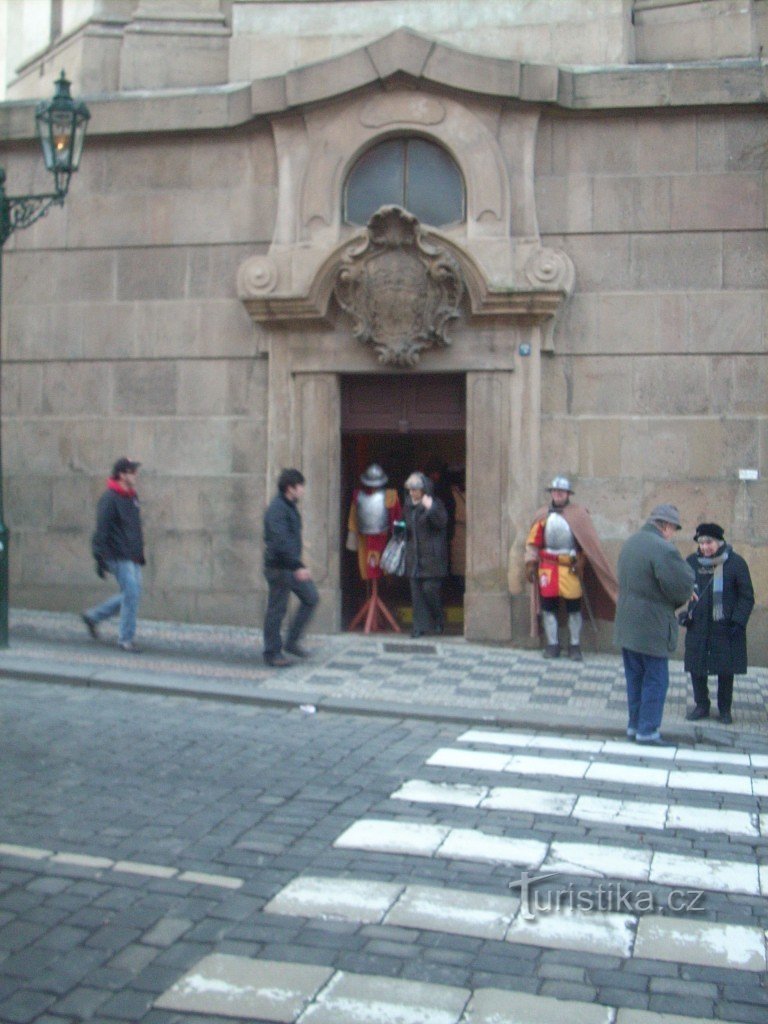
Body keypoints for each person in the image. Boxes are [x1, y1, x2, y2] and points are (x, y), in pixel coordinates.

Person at [614, 503, 696, 746]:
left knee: (635, 678)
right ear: (666, 525)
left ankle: (634, 725)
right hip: (651, 627)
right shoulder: (663, 549)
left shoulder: (631, 543)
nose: (673, 534)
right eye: (674, 528)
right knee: (655, 680)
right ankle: (648, 730)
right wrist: (687, 593)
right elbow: (680, 586)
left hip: (627, 624)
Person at [525, 476, 618, 660]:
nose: (558, 494)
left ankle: (574, 644)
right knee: (548, 609)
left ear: (568, 494)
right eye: (555, 491)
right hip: (548, 569)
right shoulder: (542, 516)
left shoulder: (579, 515)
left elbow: (586, 543)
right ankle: (553, 644)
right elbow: (533, 542)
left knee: (574, 609)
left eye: (562, 491)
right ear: (551, 493)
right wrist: (530, 561)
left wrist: (582, 559)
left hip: (570, 569)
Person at [682, 522, 755, 725]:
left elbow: (746, 596)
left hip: (726, 627)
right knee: (697, 667)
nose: (705, 547)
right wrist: (685, 607)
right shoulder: (691, 563)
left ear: (720, 542)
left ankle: (725, 709)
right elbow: (681, 589)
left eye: (709, 542)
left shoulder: (735, 563)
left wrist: (739, 621)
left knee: (725, 670)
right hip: (698, 625)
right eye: (701, 542)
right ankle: (701, 705)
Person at [82, 457, 146, 653]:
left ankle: (93, 616)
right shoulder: (110, 499)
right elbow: (102, 530)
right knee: (132, 594)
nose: (136, 475)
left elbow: (133, 529)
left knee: (131, 594)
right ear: (122, 474)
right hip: (118, 555)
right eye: (132, 471)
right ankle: (126, 639)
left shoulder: (132, 497)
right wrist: (99, 558)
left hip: (132, 554)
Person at [262, 468, 319, 667]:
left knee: (311, 597)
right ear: (290, 488)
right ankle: (272, 652)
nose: (303, 490)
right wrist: (297, 566)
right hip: (279, 567)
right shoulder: (278, 509)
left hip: (290, 566)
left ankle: (292, 641)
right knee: (277, 609)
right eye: (300, 486)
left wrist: (297, 563)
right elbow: (280, 541)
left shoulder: (289, 506)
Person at [403, 471, 448, 638]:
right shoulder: (408, 506)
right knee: (416, 593)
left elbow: (442, 522)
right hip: (414, 556)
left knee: (430, 589)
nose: (412, 493)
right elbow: (406, 527)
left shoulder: (435, 504)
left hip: (432, 557)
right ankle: (419, 627)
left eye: (415, 489)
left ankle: (438, 618)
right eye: (410, 489)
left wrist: (431, 509)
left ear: (424, 490)